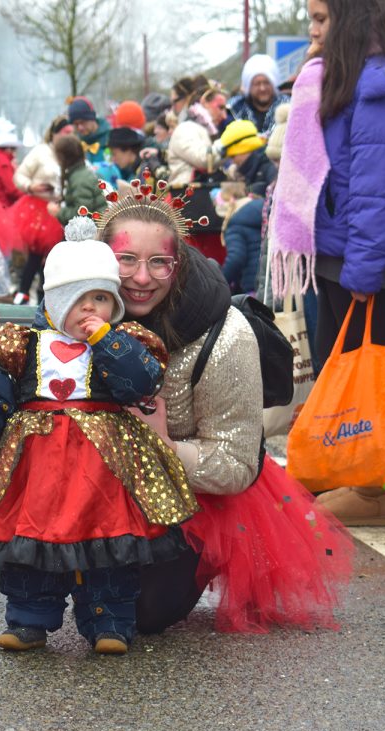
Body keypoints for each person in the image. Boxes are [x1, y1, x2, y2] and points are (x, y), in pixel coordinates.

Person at [0, 223, 198, 654]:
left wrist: (106, 340)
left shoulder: (122, 341)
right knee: (30, 543)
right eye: (81, 299)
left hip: (103, 467)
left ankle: (109, 619)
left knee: (109, 543)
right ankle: (28, 618)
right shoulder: (24, 344)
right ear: (56, 301)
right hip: (36, 465)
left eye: (102, 299)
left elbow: (142, 383)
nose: (91, 308)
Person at [96, 188, 354, 635]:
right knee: (69, 587)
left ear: (177, 265)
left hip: (196, 490)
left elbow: (235, 464)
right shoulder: (80, 310)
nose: (141, 278)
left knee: (140, 614)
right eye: (126, 260)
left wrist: (164, 445)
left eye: (158, 262)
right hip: (104, 480)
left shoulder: (225, 336)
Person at [272, 0, 385, 526]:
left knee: (361, 367)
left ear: (352, 20)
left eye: (322, 19)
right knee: (338, 363)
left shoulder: (379, 86)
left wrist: (366, 270)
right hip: (344, 248)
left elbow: (381, 189)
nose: (313, 30)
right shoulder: (361, 78)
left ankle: (371, 490)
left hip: (359, 253)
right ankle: (340, 469)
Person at [9, 116, 71, 305]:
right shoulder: (41, 152)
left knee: (50, 258)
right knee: (36, 255)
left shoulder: (71, 154)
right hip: (38, 210)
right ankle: (25, 295)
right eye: (65, 133)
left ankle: (42, 297)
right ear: (54, 134)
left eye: (72, 134)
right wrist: (31, 186)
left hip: (58, 210)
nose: (69, 137)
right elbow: (19, 176)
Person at [166, 86, 227, 186]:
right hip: (185, 197)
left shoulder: (207, 132)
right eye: (220, 107)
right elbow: (203, 159)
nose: (224, 115)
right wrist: (230, 143)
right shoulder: (185, 129)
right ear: (204, 103)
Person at [49, 134, 107, 228]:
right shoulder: (81, 173)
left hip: (95, 232)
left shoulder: (80, 180)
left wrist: (59, 212)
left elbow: (82, 214)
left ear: (62, 157)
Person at [228, 54, 290, 136]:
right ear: (249, 86)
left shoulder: (288, 106)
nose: (262, 88)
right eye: (257, 84)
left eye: (266, 82)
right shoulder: (234, 108)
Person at [66, 96, 110, 165]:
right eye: (76, 124)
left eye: (83, 122)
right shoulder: (75, 147)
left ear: (92, 118)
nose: (80, 127)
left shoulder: (111, 139)